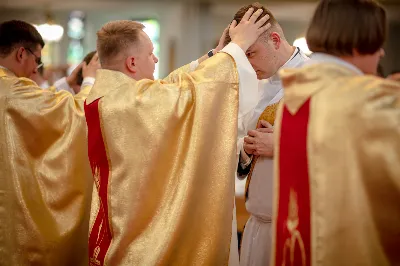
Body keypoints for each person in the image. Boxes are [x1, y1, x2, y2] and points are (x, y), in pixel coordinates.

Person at [85, 10, 270, 266]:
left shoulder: (111, 95)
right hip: (140, 240)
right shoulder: (128, 102)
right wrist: (237, 48)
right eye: (150, 53)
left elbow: (173, 87)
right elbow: (183, 94)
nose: (156, 58)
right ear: (132, 64)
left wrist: (216, 55)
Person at [271, 0, 400, 265]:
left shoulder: (294, 97)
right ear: (357, 42)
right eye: (377, 43)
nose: (382, 54)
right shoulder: (366, 100)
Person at [202, 3, 308, 266]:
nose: (247, 64)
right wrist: (246, 150)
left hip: (297, 227)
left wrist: (281, 144)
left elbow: (338, 147)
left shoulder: (314, 78)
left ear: (274, 39)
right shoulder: (255, 84)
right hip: (256, 223)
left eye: (251, 53)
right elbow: (240, 140)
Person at [0, 20, 100, 265]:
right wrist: (89, 81)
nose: (36, 70)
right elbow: (75, 114)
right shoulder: (11, 89)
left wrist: (67, 82)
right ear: (21, 53)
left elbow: (39, 104)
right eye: (37, 60)